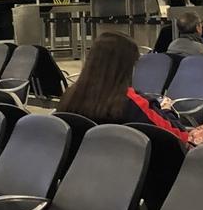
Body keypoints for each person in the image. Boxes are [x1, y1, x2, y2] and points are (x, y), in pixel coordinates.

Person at [58, 31, 192, 142]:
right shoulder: (132, 102)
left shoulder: (70, 96)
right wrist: (167, 110)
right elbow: (179, 136)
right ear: (127, 67)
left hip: (82, 165)